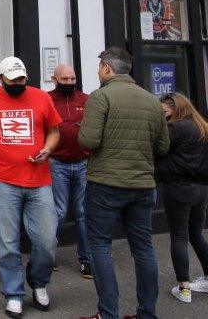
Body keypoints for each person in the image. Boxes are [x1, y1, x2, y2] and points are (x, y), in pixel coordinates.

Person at [76, 47, 170, 319]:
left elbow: (88, 141)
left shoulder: (100, 97)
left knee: (100, 246)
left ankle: (108, 314)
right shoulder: (152, 101)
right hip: (143, 185)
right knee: (143, 247)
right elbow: (163, 146)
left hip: (105, 183)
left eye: (99, 68)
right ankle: (147, 313)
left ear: (107, 68)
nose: (98, 72)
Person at [0, 56, 62, 319]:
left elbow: (54, 131)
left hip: (39, 181)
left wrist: (47, 150)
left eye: (22, 79)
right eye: (12, 80)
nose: (18, 84)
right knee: (7, 242)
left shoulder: (41, 98)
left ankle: (38, 281)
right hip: (3, 181)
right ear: (0, 79)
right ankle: (13, 293)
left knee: (47, 240)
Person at [156, 92, 208, 304]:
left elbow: (158, 151)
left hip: (178, 188)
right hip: (201, 189)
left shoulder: (174, 128)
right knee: (196, 234)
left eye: (165, 112)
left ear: (175, 109)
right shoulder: (202, 125)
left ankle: (184, 287)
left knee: (178, 236)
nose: (163, 116)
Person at [47, 64, 92, 279]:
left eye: (72, 79)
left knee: (83, 213)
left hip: (83, 163)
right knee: (59, 211)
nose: (69, 83)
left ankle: (87, 260)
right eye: (64, 79)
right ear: (54, 79)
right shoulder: (46, 99)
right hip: (57, 163)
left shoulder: (85, 99)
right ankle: (48, 256)